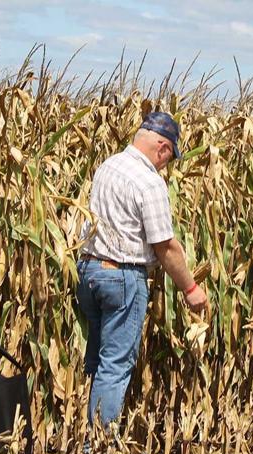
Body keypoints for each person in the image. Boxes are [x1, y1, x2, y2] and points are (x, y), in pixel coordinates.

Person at [76, 111, 208, 433]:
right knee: (115, 366)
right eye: (169, 157)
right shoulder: (148, 182)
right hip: (122, 278)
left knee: (96, 360)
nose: (166, 165)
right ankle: (99, 447)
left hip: (90, 272)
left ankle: (82, 434)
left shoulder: (109, 166)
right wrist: (191, 289)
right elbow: (165, 246)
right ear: (163, 147)